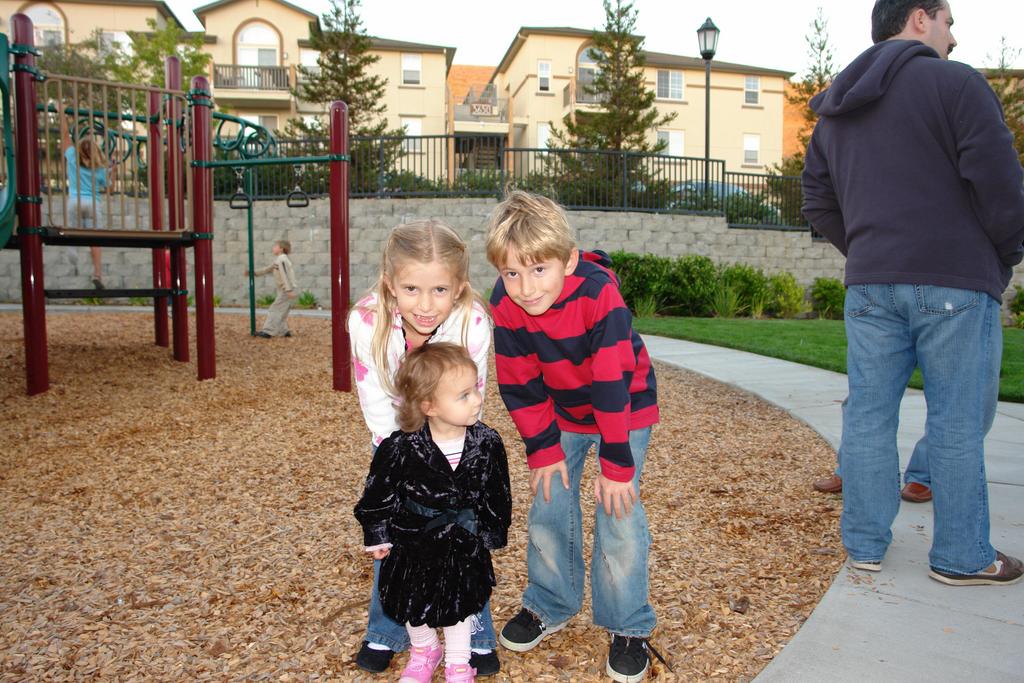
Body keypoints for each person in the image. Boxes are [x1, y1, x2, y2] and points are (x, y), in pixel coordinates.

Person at [802, 0, 1024, 585]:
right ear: (920, 18)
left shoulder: (835, 108)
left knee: (869, 416)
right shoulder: (957, 84)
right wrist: (1005, 252)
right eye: (949, 21)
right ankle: (961, 557)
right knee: (956, 419)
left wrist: (869, 249)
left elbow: (817, 200)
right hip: (955, 280)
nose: (953, 36)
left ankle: (865, 545)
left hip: (871, 285)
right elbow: (1000, 183)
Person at [485, 191, 662, 682]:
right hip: (561, 413)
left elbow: (611, 378)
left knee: (618, 511)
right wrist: (542, 450)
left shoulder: (599, 292)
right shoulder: (506, 302)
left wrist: (617, 464)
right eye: (511, 273)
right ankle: (550, 602)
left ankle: (628, 623)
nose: (525, 288)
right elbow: (519, 382)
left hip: (623, 406)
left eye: (538, 269)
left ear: (568, 259)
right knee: (548, 503)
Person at [347, 219, 501, 675]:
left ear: (459, 288)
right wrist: (403, 466)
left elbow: (470, 398)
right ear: (390, 284)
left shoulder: (472, 322)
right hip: (395, 443)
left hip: (454, 438)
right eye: (411, 289)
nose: (426, 304)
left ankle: (476, 634)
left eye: (439, 290)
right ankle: (387, 629)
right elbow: (376, 402)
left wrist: (455, 465)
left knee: (463, 533)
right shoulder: (366, 321)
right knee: (396, 532)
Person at [354, 343, 512, 683]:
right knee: (410, 600)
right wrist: (378, 534)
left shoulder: (486, 442)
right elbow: (378, 493)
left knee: (461, 600)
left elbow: (498, 491)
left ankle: (458, 660)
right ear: (429, 406)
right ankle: (425, 649)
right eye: (464, 395)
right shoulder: (400, 447)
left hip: (463, 541)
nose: (477, 400)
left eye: (475, 390)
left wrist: (491, 531)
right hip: (413, 541)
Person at [60, 114, 109, 289]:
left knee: (72, 229)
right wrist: (113, 172)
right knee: (95, 239)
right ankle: (97, 274)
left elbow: (65, 135)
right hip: (93, 204)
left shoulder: (72, 157)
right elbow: (107, 188)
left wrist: (61, 113)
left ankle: (72, 252)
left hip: (75, 201)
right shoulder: (100, 168)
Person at [246, 239, 298, 338]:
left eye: (275, 246)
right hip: (285, 289)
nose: (273, 248)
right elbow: (268, 269)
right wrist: (254, 273)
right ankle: (283, 331)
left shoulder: (281, 260)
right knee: (282, 310)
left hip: (285, 290)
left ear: (281, 249)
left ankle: (268, 331)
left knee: (274, 309)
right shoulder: (280, 260)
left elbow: (285, 275)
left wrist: (288, 290)